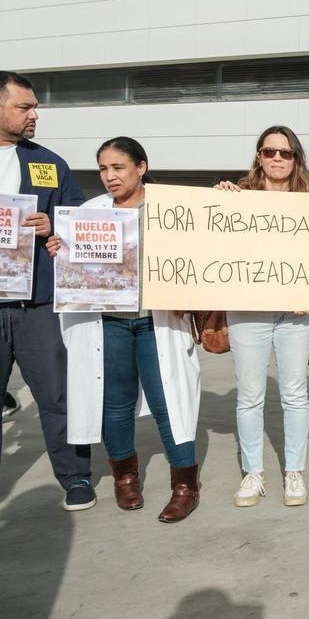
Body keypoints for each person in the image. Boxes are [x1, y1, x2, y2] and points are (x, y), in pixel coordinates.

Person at [55, 137, 202, 522]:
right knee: (115, 403)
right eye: (103, 169)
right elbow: (75, 267)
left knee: (168, 402)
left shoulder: (171, 207)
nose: (110, 176)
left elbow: (204, 250)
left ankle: (185, 486)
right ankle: (125, 478)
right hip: (110, 324)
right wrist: (61, 248)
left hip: (157, 322)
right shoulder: (89, 213)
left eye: (118, 167)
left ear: (141, 167)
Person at [0, 70, 94, 511]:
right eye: (24, 107)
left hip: (38, 303)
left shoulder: (47, 163)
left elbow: (81, 221)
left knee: (57, 394)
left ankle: (76, 477)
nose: (35, 115)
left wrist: (56, 224)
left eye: (35, 107)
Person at [215, 126, 309, 508]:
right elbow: (214, 243)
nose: (277, 158)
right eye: (270, 151)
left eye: (285, 152)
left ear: (296, 159)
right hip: (247, 312)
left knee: (295, 394)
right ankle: (253, 473)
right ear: (259, 156)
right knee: (249, 396)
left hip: (295, 313)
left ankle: (294, 472)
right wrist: (219, 202)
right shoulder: (237, 198)